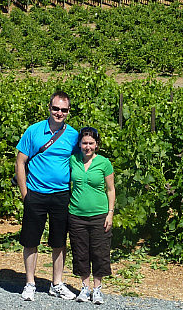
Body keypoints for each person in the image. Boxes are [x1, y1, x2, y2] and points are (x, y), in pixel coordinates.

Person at [15, 90, 79, 301]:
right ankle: (30, 283)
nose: (59, 113)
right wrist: (25, 194)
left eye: (63, 110)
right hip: (36, 194)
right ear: (49, 108)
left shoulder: (73, 135)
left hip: (61, 195)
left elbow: (80, 164)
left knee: (59, 241)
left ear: (68, 111)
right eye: (55, 108)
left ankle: (57, 283)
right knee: (31, 241)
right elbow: (20, 162)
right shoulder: (33, 131)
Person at [68, 126, 115, 304]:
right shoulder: (73, 160)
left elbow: (111, 190)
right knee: (80, 253)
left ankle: (97, 289)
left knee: (99, 253)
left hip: (99, 215)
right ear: (79, 144)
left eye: (91, 143)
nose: (87, 146)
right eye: (84, 143)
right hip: (76, 215)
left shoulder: (104, 163)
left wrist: (110, 213)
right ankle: (84, 288)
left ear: (96, 145)